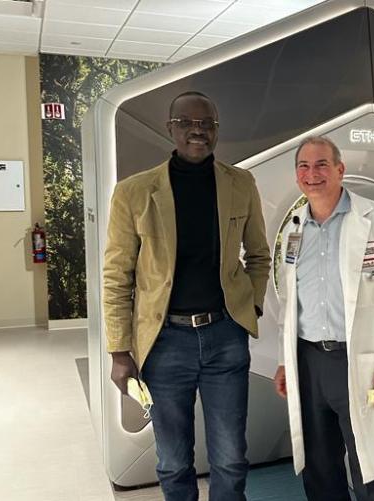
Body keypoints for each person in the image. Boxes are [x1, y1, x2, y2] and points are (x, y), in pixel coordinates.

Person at [102, 91, 271, 501]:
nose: (198, 131)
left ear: (216, 130)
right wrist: (120, 351)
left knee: (231, 457)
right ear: (171, 128)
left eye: (207, 124)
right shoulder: (134, 192)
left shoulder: (240, 183)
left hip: (225, 340)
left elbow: (260, 256)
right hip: (164, 344)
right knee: (174, 460)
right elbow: (116, 276)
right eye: (188, 123)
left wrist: (252, 307)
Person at [273, 136, 374, 501]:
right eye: (304, 167)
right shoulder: (293, 230)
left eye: (322, 164)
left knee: (369, 465)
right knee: (319, 463)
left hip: (358, 361)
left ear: (340, 170)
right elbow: (289, 301)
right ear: (297, 176)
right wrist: (284, 362)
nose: (313, 174)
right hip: (308, 361)